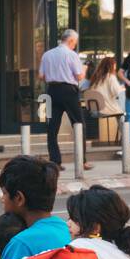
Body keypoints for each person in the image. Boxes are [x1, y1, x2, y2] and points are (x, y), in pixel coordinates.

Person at [39, 29, 91, 169]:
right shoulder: (71, 55)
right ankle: (82, 160)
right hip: (69, 91)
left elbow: (41, 76)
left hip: (51, 91)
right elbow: (79, 77)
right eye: (75, 43)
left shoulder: (47, 54)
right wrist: (85, 68)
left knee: (51, 128)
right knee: (79, 124)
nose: (75, 45)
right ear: (71, 41)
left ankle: (55, 161)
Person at [80, 55, 124, 143]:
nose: (115, 67)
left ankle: (127, 134)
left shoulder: (94, 78)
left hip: (94, 110)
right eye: (114, 65)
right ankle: (128, 136)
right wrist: (124, 88)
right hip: (107, 109)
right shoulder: (110, 77)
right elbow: (117, 92)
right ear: (111, 65)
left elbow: (82, 88)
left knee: (121, 112)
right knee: (124, 114)